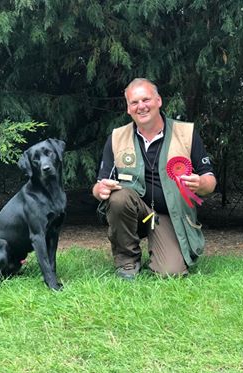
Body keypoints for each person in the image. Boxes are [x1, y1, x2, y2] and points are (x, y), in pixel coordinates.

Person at [92, 78, 216, 280]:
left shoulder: (186, 133)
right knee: (118, 198)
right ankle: (127, 261)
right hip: (135, 214)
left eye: (146, 99)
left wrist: (201, 184)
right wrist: (100, 190)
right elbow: (99, 185)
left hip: (167, 217)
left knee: (171, 272)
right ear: (128, 109)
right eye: (134, 102)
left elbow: (210, 180)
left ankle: (160, 249)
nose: (141, 106)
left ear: (158, 101)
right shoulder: (116, 137)